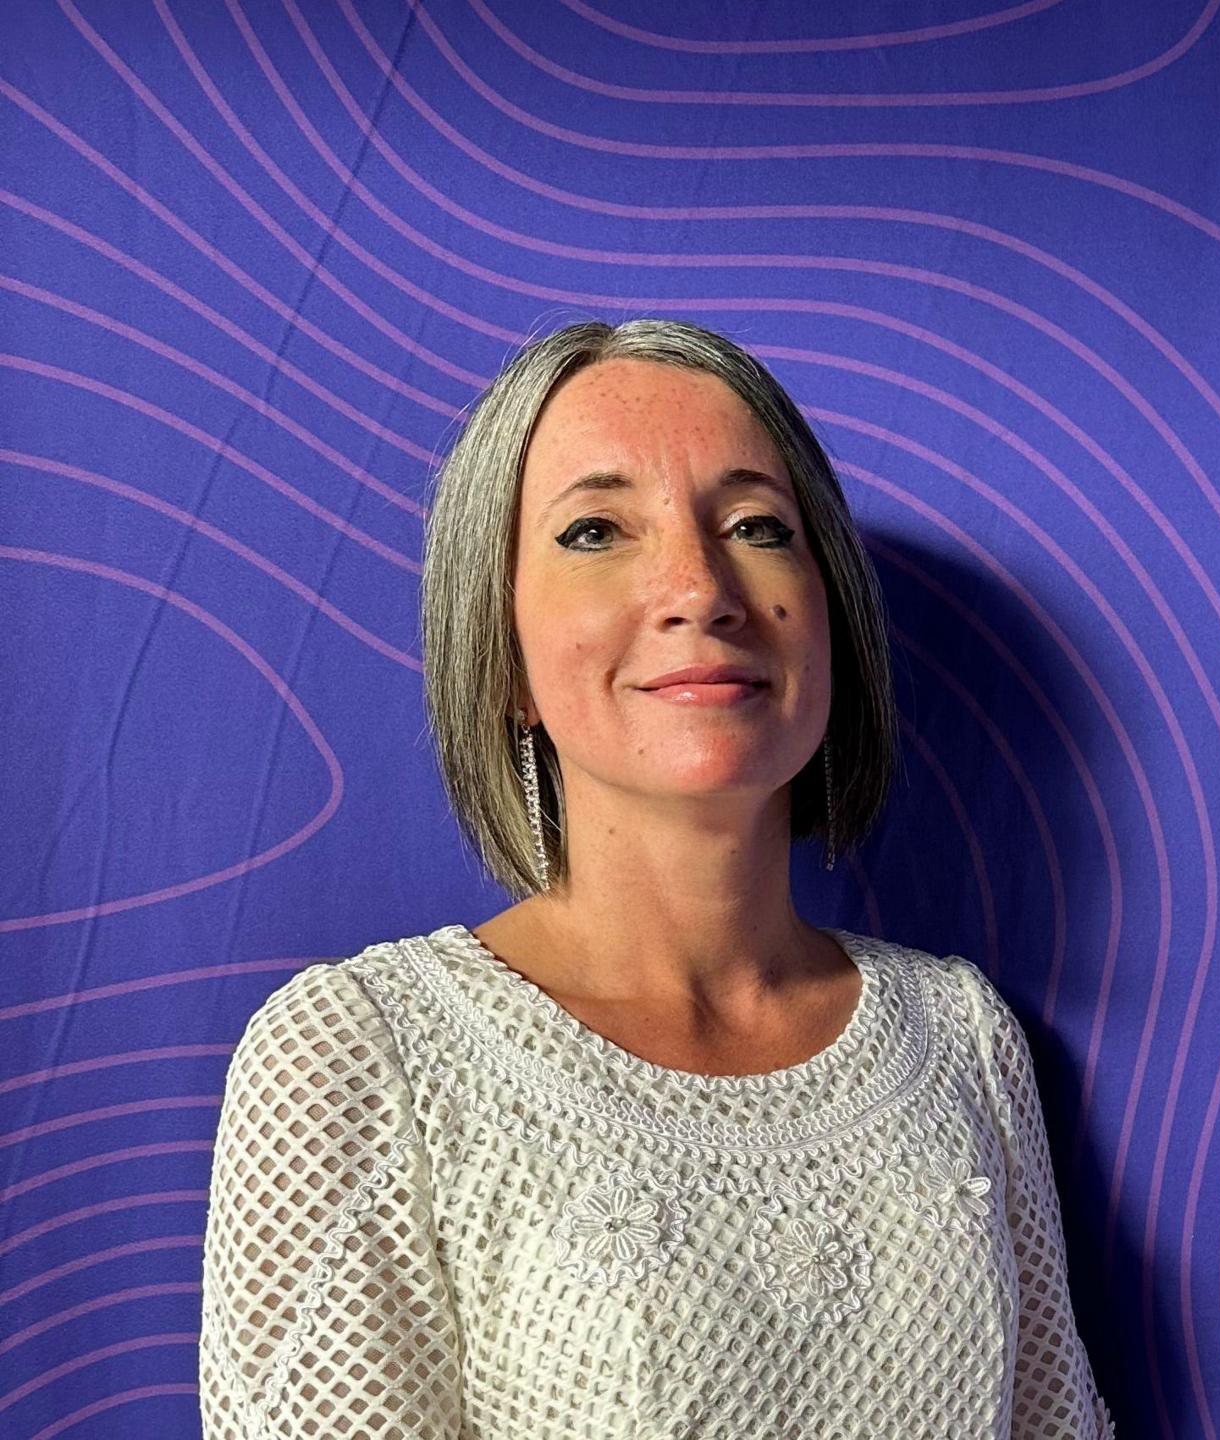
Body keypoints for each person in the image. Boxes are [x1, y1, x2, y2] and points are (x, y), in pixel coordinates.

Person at [196, 317, 1114, 1437]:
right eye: (595, 531)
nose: (698, 586)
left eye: (756, 525)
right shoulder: (359, 1057)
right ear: (503, 659)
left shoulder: (961, 1040)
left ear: (827, 622)